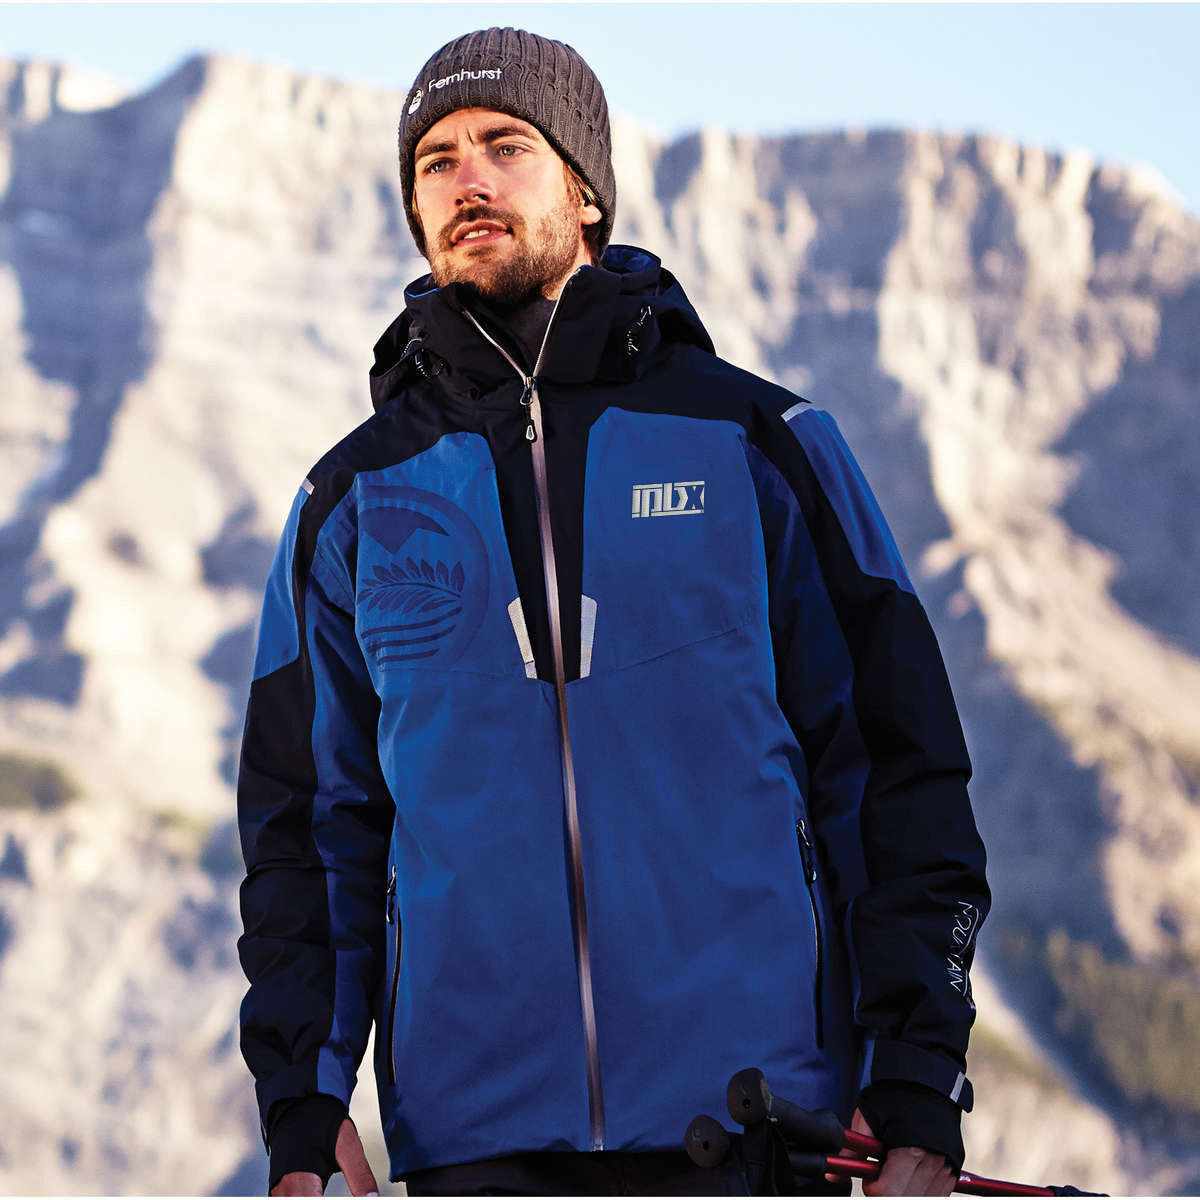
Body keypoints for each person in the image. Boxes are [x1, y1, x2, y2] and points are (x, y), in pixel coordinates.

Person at [236, 27, 990, 1198]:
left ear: (585, 190)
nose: (467, 180)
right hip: (472, 1150)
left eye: (505, 146)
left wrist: (917, 1084)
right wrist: (302, 1102)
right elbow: (309, 834)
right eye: (435, 161)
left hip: (754, 1134)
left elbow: (898, 775)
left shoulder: (761, 448)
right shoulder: (351, 504)